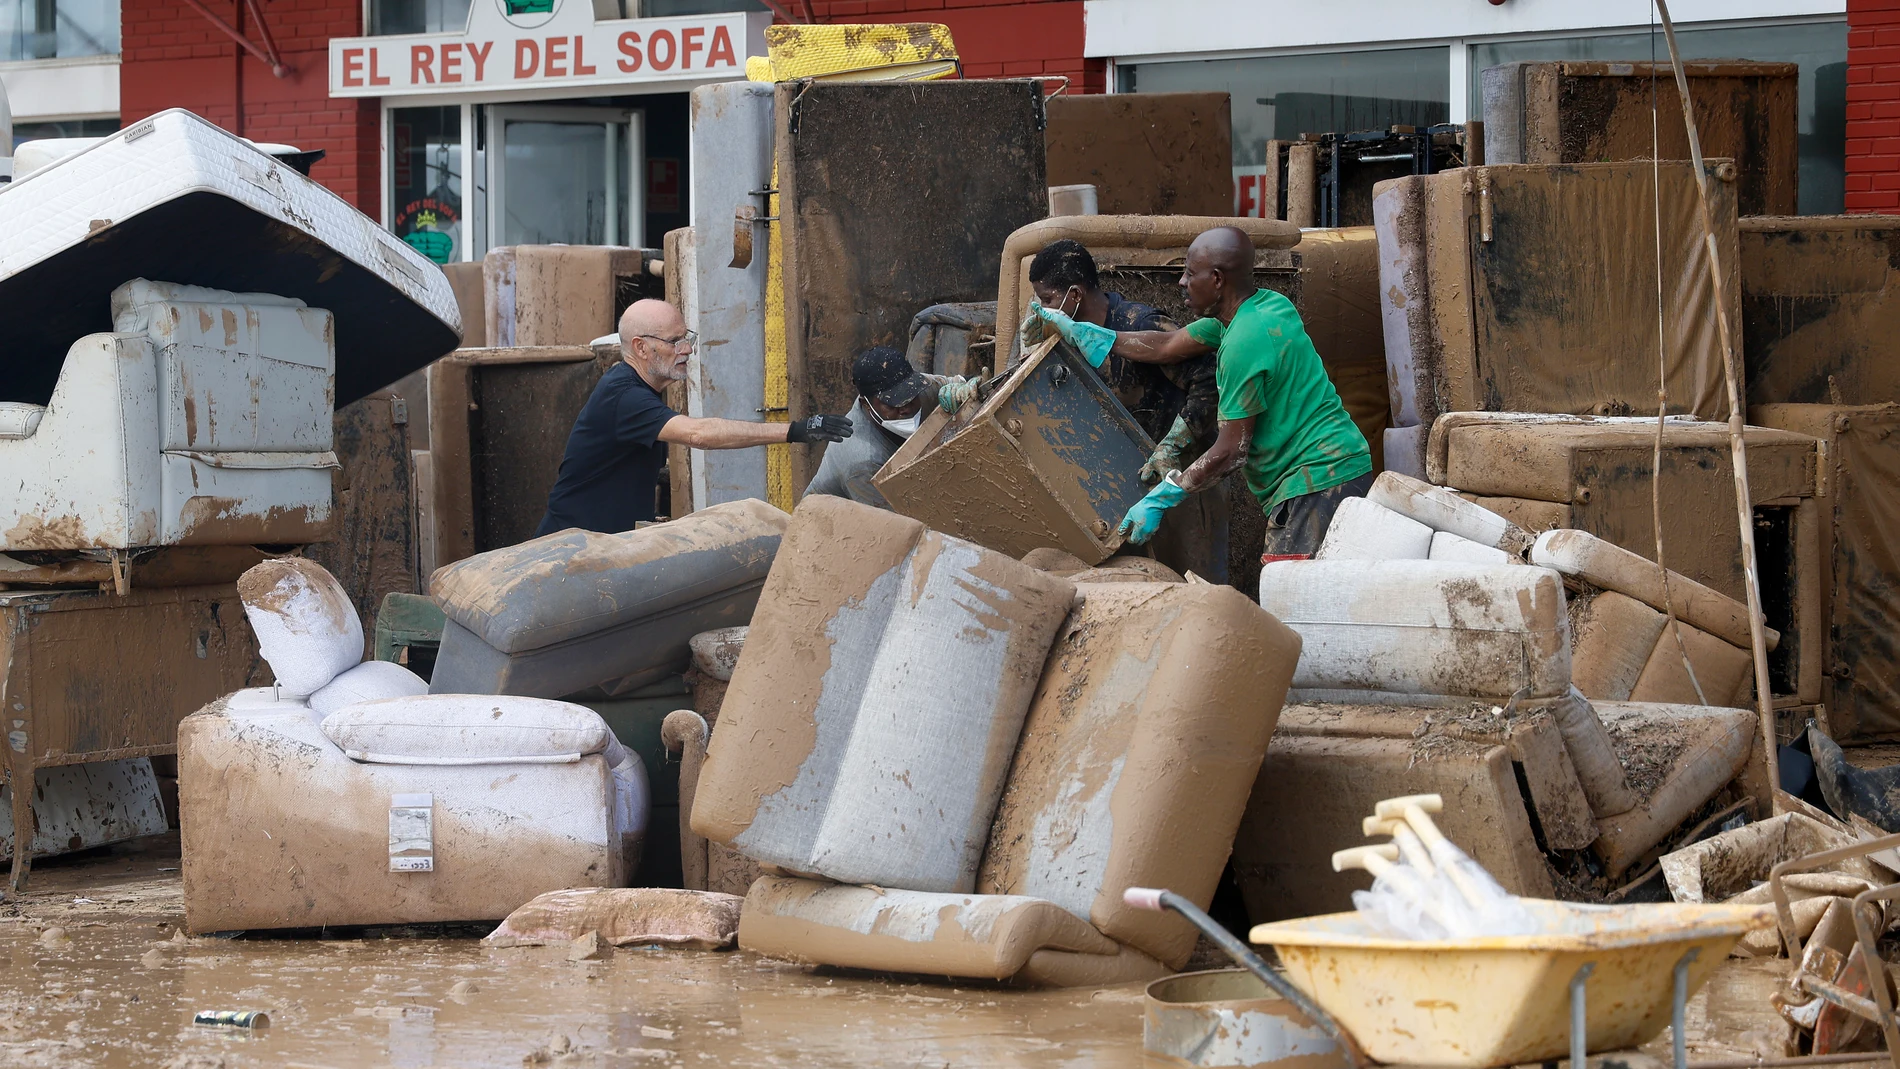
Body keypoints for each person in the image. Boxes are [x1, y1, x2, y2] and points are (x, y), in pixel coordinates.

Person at [1034, 227, 1371, 557]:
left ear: (1217, 280)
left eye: (1190, 273)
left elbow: (1230, 451)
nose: (1182, 282)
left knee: (1292, 600)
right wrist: (1086, 334)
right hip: (1334, 468)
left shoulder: (1243, 342)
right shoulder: (1258, 309)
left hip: (1317, 479)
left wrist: (1161, 497)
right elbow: (1165, 345)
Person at [944, 239, 1230, 581]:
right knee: (1137, 582)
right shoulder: (1059, 335)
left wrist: (1174, 444)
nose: (1041, 308)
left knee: (1193, 580)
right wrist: (1003, 373)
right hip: (1121, 482)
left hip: (1179, 479)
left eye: (1048, 299)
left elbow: (1209, 377)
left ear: (1075, 296)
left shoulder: (1139, 324)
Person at [536, 299, 853, 536]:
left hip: (601, 545)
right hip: (571, 551)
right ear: (641, 348)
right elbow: (699, 434)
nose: (687, 349)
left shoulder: (638, 389)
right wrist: (795, 430)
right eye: (675, 342)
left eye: (686, 337)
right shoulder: (624, 396)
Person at [805, 346, 948, 509]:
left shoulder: (919, 388)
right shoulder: (863, 460)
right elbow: (893, 526)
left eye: (909, 396)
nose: (906, 408)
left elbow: (962, 384)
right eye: (893, 402)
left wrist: (962, 390)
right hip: (829, 524)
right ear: (866, 404)